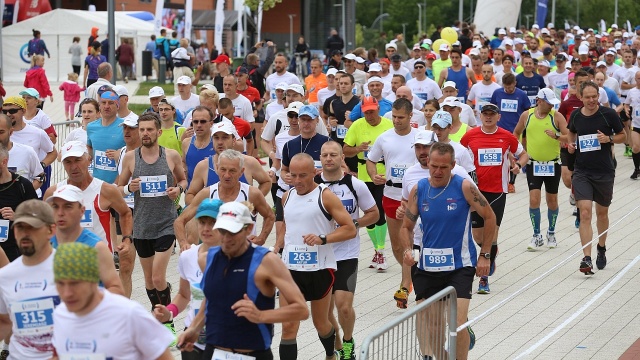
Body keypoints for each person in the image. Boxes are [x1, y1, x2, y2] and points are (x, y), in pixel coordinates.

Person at [400, 142, 496, 360]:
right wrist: (408, 249)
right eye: (433, 166)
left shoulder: (464, 187)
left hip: (460, 265)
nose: (437, 172)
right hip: (428, 266)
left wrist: (485, 254)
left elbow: (490, 216)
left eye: (443, 167)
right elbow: (406, 227)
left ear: (453, 165)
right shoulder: (419, 189)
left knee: (458, 324)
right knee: (433, 327)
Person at [177, 201, 309, 360]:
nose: (226, 238)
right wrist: (194, 329)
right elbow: (211, 297)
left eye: (232, 232)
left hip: (252, 353)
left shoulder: (267, 261)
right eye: (222, 231)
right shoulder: (206, 259)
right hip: (214, 351)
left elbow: (301, 310)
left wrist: (261, 316)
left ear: (248, 229)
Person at [275, 153, 356, 360]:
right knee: (289, 326)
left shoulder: (325, 195)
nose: (298, 181)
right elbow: (288, 226)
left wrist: (324, 238)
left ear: (315, 173)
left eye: (303, 175)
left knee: (321, 323)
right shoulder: (287, 196)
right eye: (293, 176)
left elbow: (349, 229)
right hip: (290, 270)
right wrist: (277, 247)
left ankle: (331, 353)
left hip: (319, 268)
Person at [117, 113, 186, 338]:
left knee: (157, 277)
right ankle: (158, 312)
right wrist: (129, 188)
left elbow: (183, 180)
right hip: (142, 226)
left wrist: (179, 189)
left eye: (149, 129)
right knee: (149, 280)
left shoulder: (170, 156)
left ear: (158, 132)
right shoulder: (130, 158)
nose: (145, 133)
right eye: (142, 130)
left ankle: (168, 322)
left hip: (166, 224)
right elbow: (116, 189)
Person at [51, 242, 175, 359]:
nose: (67, 293)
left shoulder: (129, 314)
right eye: (60, 284)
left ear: (93, 280)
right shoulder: (59, 315)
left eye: (75, 284)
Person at [315, 141, 379, 359]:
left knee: (343, 307)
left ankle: (349, 341)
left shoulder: (355, 184)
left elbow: (374, 213)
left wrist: (353, 225)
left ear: (342, 158)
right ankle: (339, 346)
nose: (329, 159)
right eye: (325, 155)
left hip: (347, 253)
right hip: (321, 254)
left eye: (333, 154)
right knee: (325, 310)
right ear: (320, 158)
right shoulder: (313, 184)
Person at [44, 140, 134, 293]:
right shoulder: (53, 194)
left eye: (78, 160)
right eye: (68, 162)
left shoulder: (105, 190)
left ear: (89, 160)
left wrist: (126, 239)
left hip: (99, 262)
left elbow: (125, 213)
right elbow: (44, 226)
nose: (73, 167)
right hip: (65, 263)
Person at [460, 103, 528, 294]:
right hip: (475, 192)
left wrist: (518, 166)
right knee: (478, 236)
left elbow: (523, 154)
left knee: (492, 233)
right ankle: (490, 253)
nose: (488, 117)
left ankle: (484, 277)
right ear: (480, 116)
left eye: (492, 114)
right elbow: (459, 157)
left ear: (498, 117)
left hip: (497, 191)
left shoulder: (507, 136)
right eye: (485, 114)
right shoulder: (470, 136)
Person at [366, 98, 419, 308]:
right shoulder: (384, 138)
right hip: (391, 194)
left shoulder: (420, 137)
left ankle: (405, 285)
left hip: (414, 197)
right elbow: (371, 160)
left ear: (410, 116)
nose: (397, 121)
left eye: (401, 117)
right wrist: (374, 175)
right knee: (397, 245)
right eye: (394, 117)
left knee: (411, 240)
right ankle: (411, 274)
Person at [154, 198, 223, 359]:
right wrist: (169, 312)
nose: (206, 228)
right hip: (194, 339)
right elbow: (184, 295)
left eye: (212, 223)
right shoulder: (188, 256)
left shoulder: (236, 259)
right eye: (202, 222)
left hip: (225, 341)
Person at [568, 81, 625, 274]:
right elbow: (571, 132)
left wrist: (608, 139)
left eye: (595, 96)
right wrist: (571, 144)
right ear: (581, 98)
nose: (592, 100)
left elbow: (622, 136)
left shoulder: (608, 114)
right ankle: (586, 258)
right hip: (582, 171)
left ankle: (601, 247)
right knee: (584, 212)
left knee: (602, 213)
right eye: (588, 97)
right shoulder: (576, 115)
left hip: (604, 172)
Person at [175, 147, 274, 251]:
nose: (227, 175)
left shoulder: (251, 193)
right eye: (223, 169)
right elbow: (180, 221)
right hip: (215, 257)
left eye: (232, 171)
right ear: (217, 168)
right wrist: (183, 243)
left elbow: (270, 216)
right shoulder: (207, 194)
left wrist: (261, 239)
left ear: (241, 172)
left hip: (244, 256)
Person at [0, 200, 58, 359]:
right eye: (20, 227)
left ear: (51, 230)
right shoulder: (5, 276)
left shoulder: (71, 270)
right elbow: (5, 321)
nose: (25, 233)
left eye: (32, 227)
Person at [513, 89, 568, 250]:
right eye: (548, 102)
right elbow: (516, 132)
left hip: (552, 164)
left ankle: (551, 232)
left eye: (552, 103)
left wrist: (557, 137)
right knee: (534, 199)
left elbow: (569, 136)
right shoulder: (527, 115)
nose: (551, 105)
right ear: (539, 101)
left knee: (552, 200)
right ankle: (536, 235)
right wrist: (516, 150)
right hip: (533, 164)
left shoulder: (556, 116)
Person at [343, 96, 393, 270]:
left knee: (380, 211)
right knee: (369, 214)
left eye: (372, 111)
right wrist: (358, 148)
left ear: (378, 108)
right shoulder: (357, 125)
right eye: (366, 112)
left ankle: (381, 251)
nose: (370, 115)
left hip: (384, 173)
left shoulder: (388, 125)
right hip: (364, 175)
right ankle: (377, 250)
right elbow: (345, 150)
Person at [46, 184, 124, 295]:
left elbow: (116, 290)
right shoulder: (44, 243)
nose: (60, 213)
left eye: (68, 206)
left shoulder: (97, 247)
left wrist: (85, 299)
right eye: (55, 207)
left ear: (82, 211)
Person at [4, 96, 57, 197]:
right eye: (4, 111)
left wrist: (42, 165)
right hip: (6, 192)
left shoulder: (37, 133)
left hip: (30, 192)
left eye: (12, 111)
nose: (8, 114)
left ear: (23, 111)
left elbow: (53, 152)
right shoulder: (2, 134)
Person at [0, 144, 39, 262]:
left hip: (15, 253)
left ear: (4, 162)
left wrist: (17, 216)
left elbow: (39, 218)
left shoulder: (22, 185)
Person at [86, 91, 126, 184]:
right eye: (103, 103)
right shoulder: (91, 127)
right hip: (97, 183)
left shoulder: (125, 126)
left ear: (117, 106)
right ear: (99, 106)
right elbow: (90, 146)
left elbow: (135, 150)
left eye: (111, 103)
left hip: (118, 184)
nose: (106, 106)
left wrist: (121, 153)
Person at [624, 71, 640, 179]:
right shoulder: (632, 91)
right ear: (635, 79)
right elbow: (626, 103)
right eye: (638, 78)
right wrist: (626, 109)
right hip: (636, 123)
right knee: (635, 147)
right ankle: (636, 169)